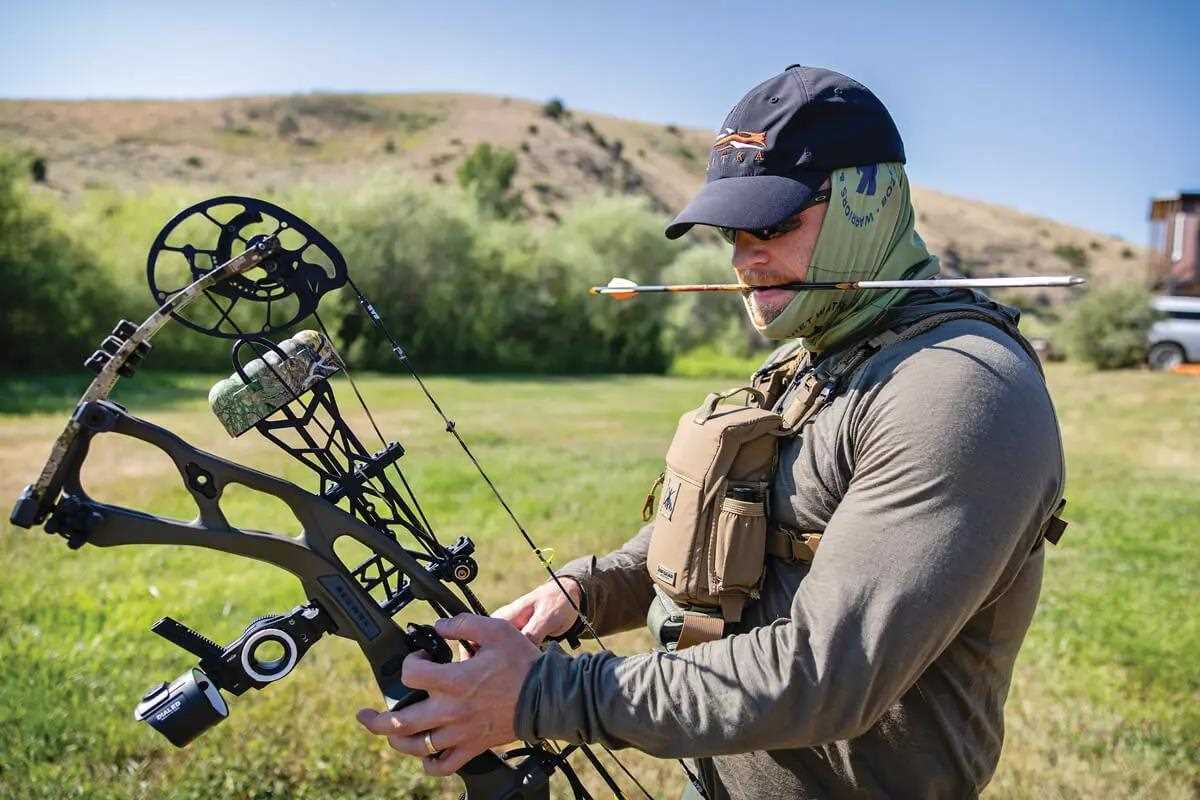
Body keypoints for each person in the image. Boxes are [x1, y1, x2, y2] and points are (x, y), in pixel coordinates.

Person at [356, 65, 1067, 799]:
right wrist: (588, 590)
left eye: (774, 222)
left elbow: (827, 674)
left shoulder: (957, 388)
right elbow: (740, 524)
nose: (743, 257)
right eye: (733, 231)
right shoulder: (813, 356)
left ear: (869, 202)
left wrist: (542, 696)